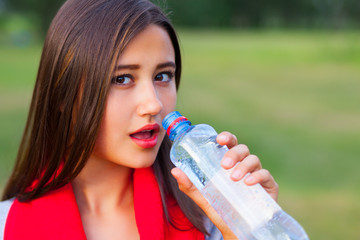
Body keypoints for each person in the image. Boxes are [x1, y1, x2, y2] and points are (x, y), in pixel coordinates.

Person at [0, 0, 279, 239]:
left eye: (162, 76)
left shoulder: (210, 219)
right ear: (64, 94)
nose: (153, 104)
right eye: (122, 79)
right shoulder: (7, 226)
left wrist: (252, 228)